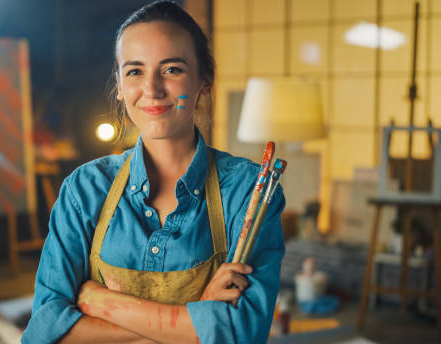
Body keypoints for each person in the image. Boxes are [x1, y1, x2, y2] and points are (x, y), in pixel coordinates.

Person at [22, 1, 285, 343]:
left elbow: (243, 333)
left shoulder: (249, 191)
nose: (152, 89)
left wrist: (98, 302)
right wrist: (195, 320)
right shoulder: (84, 190)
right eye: (134, 71)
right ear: (118, 84)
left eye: (172, 69)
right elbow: (43, 332)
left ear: (205, 80)